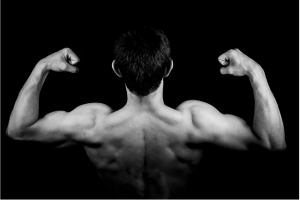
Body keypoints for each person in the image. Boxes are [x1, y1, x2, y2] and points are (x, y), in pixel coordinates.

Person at [7, 26, 286, 198]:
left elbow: (18, 130)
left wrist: (41, 66)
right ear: (169, 68)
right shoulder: (194, 122)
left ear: (117, 69)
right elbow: (272, 143)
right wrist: (255, 72)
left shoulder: (92, 124)